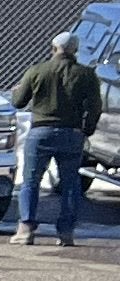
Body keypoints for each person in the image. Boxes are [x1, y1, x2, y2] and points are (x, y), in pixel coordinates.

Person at [9, 31, 103, 246]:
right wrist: (86, 129)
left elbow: (18, 102)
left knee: (31, 181)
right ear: (75, 50)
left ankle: (26, 228)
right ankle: (66, 232)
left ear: (53, 48)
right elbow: (95, 106)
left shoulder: (37, 71)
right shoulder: (87, 74)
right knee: (70, 183)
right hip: (71, 133)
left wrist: (16, 92)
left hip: (40, 132)